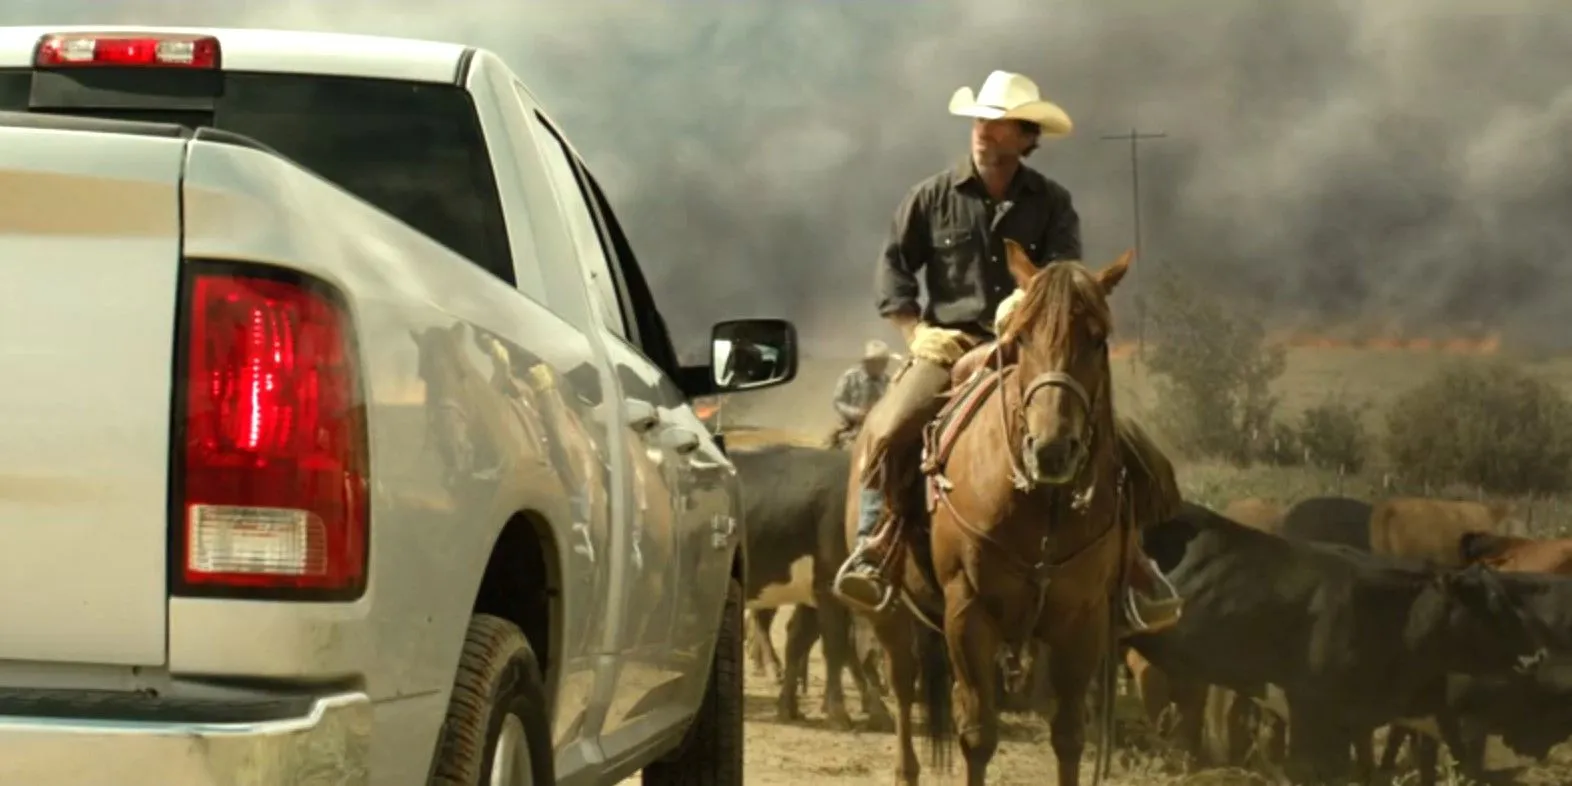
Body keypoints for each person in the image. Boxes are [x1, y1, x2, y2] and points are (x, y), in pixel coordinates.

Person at [833, 70, 1182, 635]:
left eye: (997, 124)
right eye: (980, 121)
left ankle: (1133, 561)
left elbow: (1068, 278)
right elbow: (894, 266)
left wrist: (1026, 314)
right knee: (886, 426)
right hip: (948, 345)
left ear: (1025, 137)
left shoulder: (1052, 202)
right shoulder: (931, 197)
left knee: (1119, 439)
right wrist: (914, 331)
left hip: (1035, 347)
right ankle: (876, 546)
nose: (983, 132)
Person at [827, 339, 895, 448]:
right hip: (850, 425)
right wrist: (856, 414)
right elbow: (838, 401)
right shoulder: (850, 377)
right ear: (867, 363)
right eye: (879, 362)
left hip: (878, 426)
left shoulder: (889, 381)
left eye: (884, 362)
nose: (883, 366)